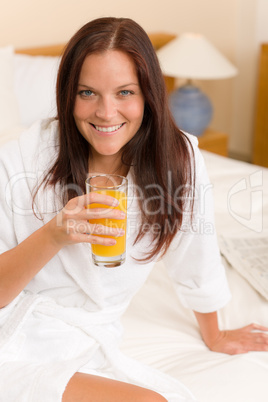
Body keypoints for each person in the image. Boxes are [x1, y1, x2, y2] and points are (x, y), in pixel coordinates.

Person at [0, 17, 267, 402]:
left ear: (149, 95)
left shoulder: (179, 159)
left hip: (80, 339)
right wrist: (54, 233)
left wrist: (216, 334)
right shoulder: (21, 160)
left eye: (124, 92)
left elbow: (196, 255)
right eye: (87, 93)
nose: (106, 113)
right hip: (15, 328)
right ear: (67, 95)